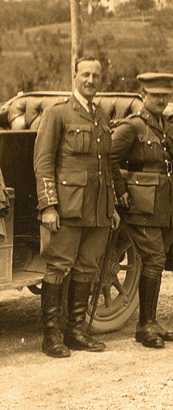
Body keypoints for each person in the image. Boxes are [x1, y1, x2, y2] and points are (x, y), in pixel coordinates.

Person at [34, 56, 120, 358]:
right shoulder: (57, 114)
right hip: (67, 207)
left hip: (97, 208)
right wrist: (49, 205)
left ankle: (76, 332)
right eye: (85, 74)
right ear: (74, 76)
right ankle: (51, 336)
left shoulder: (102, 115)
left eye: (96, 75)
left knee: (86, 268)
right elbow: (43, 162)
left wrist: (112, 207)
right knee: (58, 267)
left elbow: (105, 164)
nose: (91, 80)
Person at [110, 72, 173, 348]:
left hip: (165, 204)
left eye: (165, 96)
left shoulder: (168, 126)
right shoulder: (132, 126)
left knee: (158, 259)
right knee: (154, 259)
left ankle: (151, 321)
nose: (161, 101)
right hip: (141, 203)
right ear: (143, 96)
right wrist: (120, 191)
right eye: (155, 96)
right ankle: (144, 326)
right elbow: (109, 158)